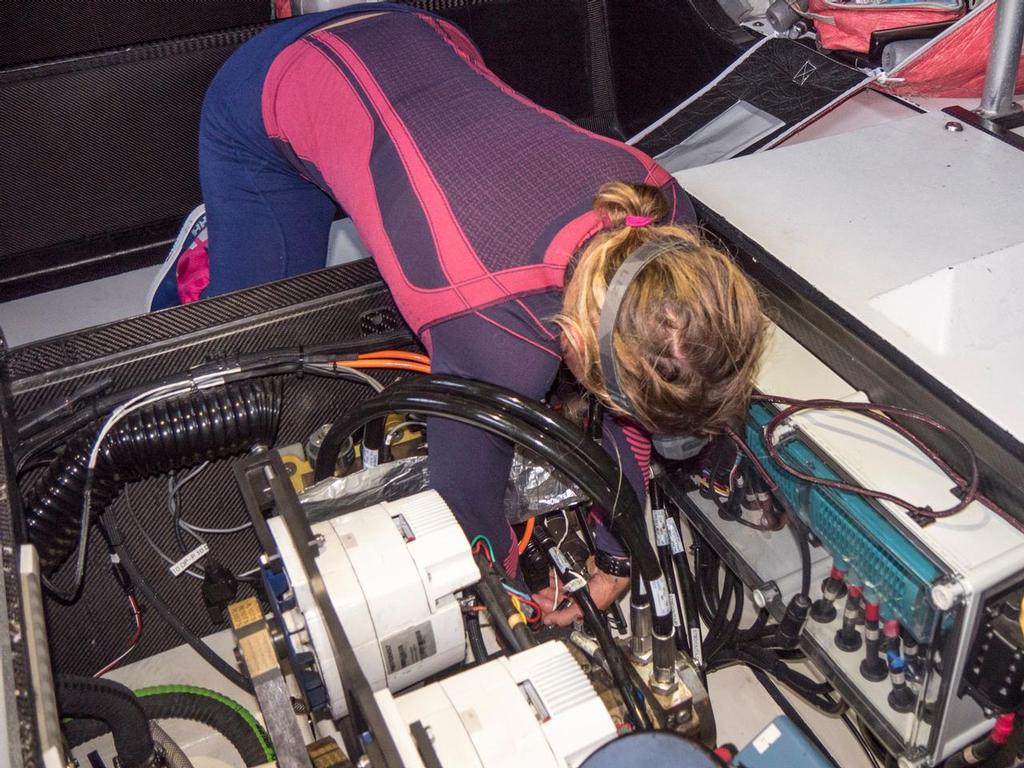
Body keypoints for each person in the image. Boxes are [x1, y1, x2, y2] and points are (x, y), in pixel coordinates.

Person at [152, 4, 767, 625]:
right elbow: (466, 500)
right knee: (253, 329)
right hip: (276, 80)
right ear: (576, 339)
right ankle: (207, 248)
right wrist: (521, 599)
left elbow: (633, 414)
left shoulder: (668, 211)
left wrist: (617, 556)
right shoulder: (491, 328)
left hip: (421, 34)